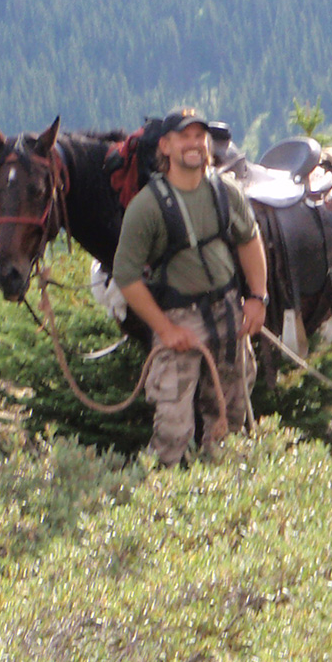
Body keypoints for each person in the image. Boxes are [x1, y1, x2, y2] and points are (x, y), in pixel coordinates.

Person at [112, 110, 268, 465]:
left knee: (231, 414)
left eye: (200, 136)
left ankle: (224, 487)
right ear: (165, 146)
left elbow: (249, 239)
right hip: (179, 318)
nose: (195, 143)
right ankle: (163, 492)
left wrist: (258, 297)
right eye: (184, 137)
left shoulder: (225, 191)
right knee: (172, 427)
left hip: (230, 312)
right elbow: (126, 275)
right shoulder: (146, 206)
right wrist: (165, 329)